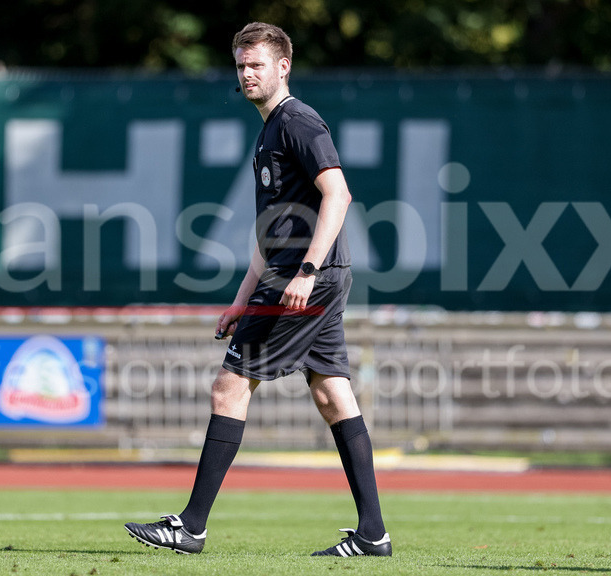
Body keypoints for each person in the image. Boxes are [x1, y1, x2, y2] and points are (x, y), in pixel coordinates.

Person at [124, 21, 391, 558]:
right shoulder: (269, 129)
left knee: (229, 387)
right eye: (241, 65)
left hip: (305, 280)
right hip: (296, 275)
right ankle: (372, 535)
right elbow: (269, 234)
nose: (247, 74)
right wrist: (243, 298)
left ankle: (192, 526)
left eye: (257, 65)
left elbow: (339, 195)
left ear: (283, 67)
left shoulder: (297, 121)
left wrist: (307, 272)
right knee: (331, 391)